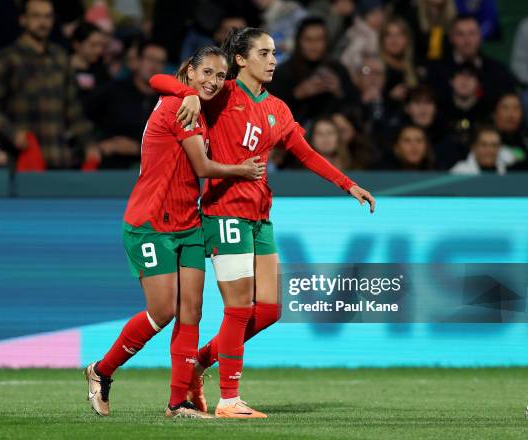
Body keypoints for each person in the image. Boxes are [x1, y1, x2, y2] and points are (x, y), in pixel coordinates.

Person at [150, 27, 375, 418]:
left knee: (269, 310)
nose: (273, 61)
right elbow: (160, 79)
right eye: (265, 53)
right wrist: (188, 92)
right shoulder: (222, 93)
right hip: (224, 212)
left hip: (259, 216)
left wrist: (348, 184)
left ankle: (199, 365)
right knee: (238, 308)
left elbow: (305, 153)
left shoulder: (278, 108)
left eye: (274, 54)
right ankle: (229, 399)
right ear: (241, 59)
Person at [83, 45, 265, 419]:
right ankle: (101, 371)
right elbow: (201, 166)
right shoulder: (180, 106)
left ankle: (177, 402)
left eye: (220, 75)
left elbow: (159, 79)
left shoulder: (189, 100)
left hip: (188, 223)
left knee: (191, 312)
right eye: (206, 74)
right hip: (151, 223)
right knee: (163, 310)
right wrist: (242, 171)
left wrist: (188, 92)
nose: (213, 82)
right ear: (190, 71)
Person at [0, 0, 94, 169]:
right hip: (22, 158)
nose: (43, 22)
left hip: (60, 157)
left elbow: (73, 108)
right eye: (36, 16)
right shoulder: (7, 58)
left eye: (48, 17)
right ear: (23, 20)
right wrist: (13, 134)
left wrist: (88, 143)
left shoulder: (61, 57)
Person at [84, 41, 167, 169]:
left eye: (160, 62)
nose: (154, 66)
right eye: (150, 59)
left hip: (151, 168)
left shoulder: (167, 101)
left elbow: (169, 142)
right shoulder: (114, 91)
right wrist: (94, 145)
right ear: (137, 61)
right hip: (110, 165)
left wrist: (137, 147)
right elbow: (82, 116)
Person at [268, 17, 357, 125]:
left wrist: (339, 93)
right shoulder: (283, 73)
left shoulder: (338, 70)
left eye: (319, 40)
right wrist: (296, 95)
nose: (314, 46)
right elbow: (271, 116)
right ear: (299, 41)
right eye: (308, 40)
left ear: (326, 41)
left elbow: (355, 110)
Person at [380, 17, 418, 107]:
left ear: (407, 39)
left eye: (399, 35)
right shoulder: (376, 68)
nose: (394, 40)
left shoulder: (415, 68)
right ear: (381, 40)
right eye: (389, 35)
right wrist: (390, 97)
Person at [70, 21, 110, 102]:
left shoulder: (101, 71)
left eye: (101, 45)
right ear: (77, 45)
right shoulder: (63, 69)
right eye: (93, 45)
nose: (99, 50)